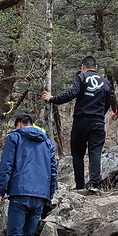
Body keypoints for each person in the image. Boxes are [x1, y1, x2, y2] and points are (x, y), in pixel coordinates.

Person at [0, 113, 57, 236]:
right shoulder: (47, 143)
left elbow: (6, 166)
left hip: (20, 193)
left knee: (14, 235)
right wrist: (49, 195)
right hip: (41, 196)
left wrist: (1, 192)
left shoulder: (14, 137)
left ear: (20, 125)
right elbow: (53, 171)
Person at [42, 56, 111, 194]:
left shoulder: (81, 77)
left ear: (83, 67)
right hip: (98, 121)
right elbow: (108, 102)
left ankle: (80, 186)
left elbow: (71, 93)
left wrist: (52, 99)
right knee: (95, 152)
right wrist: (99, 115)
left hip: (81, 121)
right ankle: (94, 185)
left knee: (78, 153)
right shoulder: (105, 82)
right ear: (96, 68)